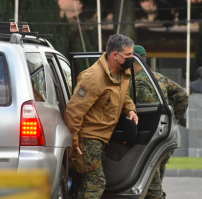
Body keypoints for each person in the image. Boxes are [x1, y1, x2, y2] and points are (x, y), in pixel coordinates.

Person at [64, 34, 139, 199]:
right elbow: (74, 111)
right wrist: (73, 142)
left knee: (91, 182)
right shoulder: (93, 78)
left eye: (132, 54)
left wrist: (130, 109)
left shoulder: (121, 72)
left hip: (102, 138)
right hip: (88, 139)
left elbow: (122, 94)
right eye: (128, 55)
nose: (132, 58)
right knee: (95, 182)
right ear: (115, 55)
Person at [132, 45, 188, 199]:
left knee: (151, 189)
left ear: (133, 60)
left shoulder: (135, 81)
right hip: (163, 137)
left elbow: (148, 113)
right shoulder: (158, 77)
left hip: (148, 141)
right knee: (154, 181)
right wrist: (172, 120)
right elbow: (183, 96)